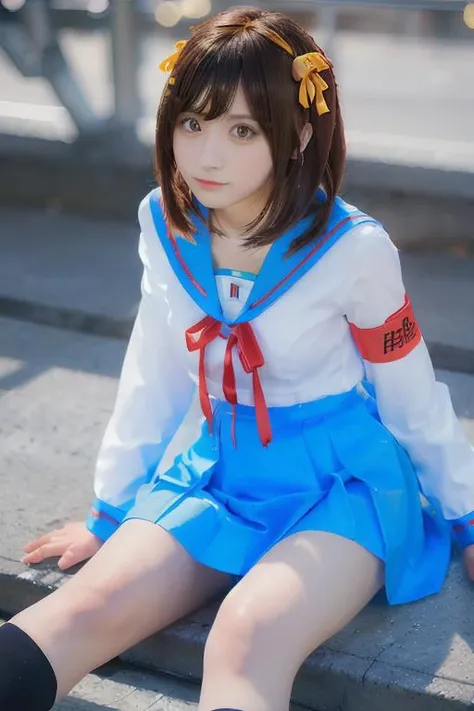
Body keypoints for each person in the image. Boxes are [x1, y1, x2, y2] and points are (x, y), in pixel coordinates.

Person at [1, 7, 473, 711]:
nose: (206, 155)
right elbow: (155, 363)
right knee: (82, 605)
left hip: (339, 481)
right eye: (191, 123)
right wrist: (111, 506)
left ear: (298, 134)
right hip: (215, 466)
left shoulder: (353, 248)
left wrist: (467, 516)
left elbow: (408, 386)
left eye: (241, 130)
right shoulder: (165, 220)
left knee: (246, 635)